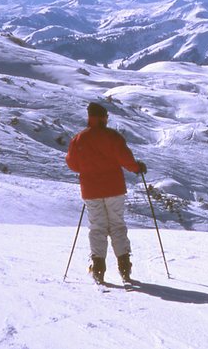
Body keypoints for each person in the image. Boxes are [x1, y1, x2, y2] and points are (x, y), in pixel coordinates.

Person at [66, 102, 147, 283]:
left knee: (97, 227)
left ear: (89, 117)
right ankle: (124, 267)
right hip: (114, 189)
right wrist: (137, 168)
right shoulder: (112, 136)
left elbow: (72, 164)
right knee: (117, 225)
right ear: (104, 117)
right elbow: (125, 158)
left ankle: (98, 268)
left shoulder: (79, 138)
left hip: (91, 190)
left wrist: (87, 169)